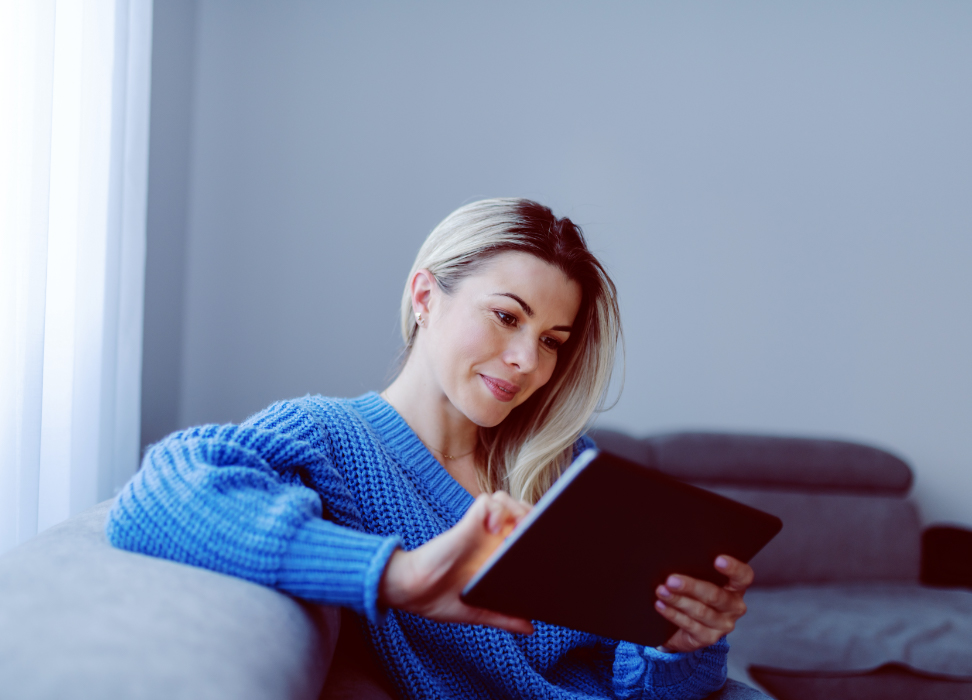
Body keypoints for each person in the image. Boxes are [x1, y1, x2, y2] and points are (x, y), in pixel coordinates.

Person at [107, 198, 755, 699]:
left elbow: (651, 688)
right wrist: (397, 575)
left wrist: (684, 641)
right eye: (506, 316)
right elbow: (160, 493)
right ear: (424, 297)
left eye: (553, 340)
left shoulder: (564, 466)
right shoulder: (328, 439)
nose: (528, 360)